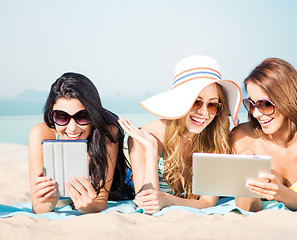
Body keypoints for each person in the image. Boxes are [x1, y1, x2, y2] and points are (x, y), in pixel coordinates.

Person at [118, 55, 242, 214]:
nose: (204, 113)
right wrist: (151, 150)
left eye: (212, 105)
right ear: (180, 101)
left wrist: (167, 200)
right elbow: (146, 205)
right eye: (196, 102)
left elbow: (207, 203)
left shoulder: (216, 139)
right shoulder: (146, 137)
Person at [230, 58, 297, 211]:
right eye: (251, 105)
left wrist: (280, 193)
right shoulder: (242, 137)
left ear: (288, 100)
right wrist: (244, 170)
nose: (256, 114)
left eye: (265, 104)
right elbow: (248, 210)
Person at [28, 72, 134, 214]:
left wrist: (88, 207)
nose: (72, 128)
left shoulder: (106, 133)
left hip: (120, 184)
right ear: (51, 114)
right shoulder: (40, 134)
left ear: (94, 114)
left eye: (82, 116)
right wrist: (47, 203)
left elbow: (100, 201)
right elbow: (39, 208)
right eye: (62, 116)